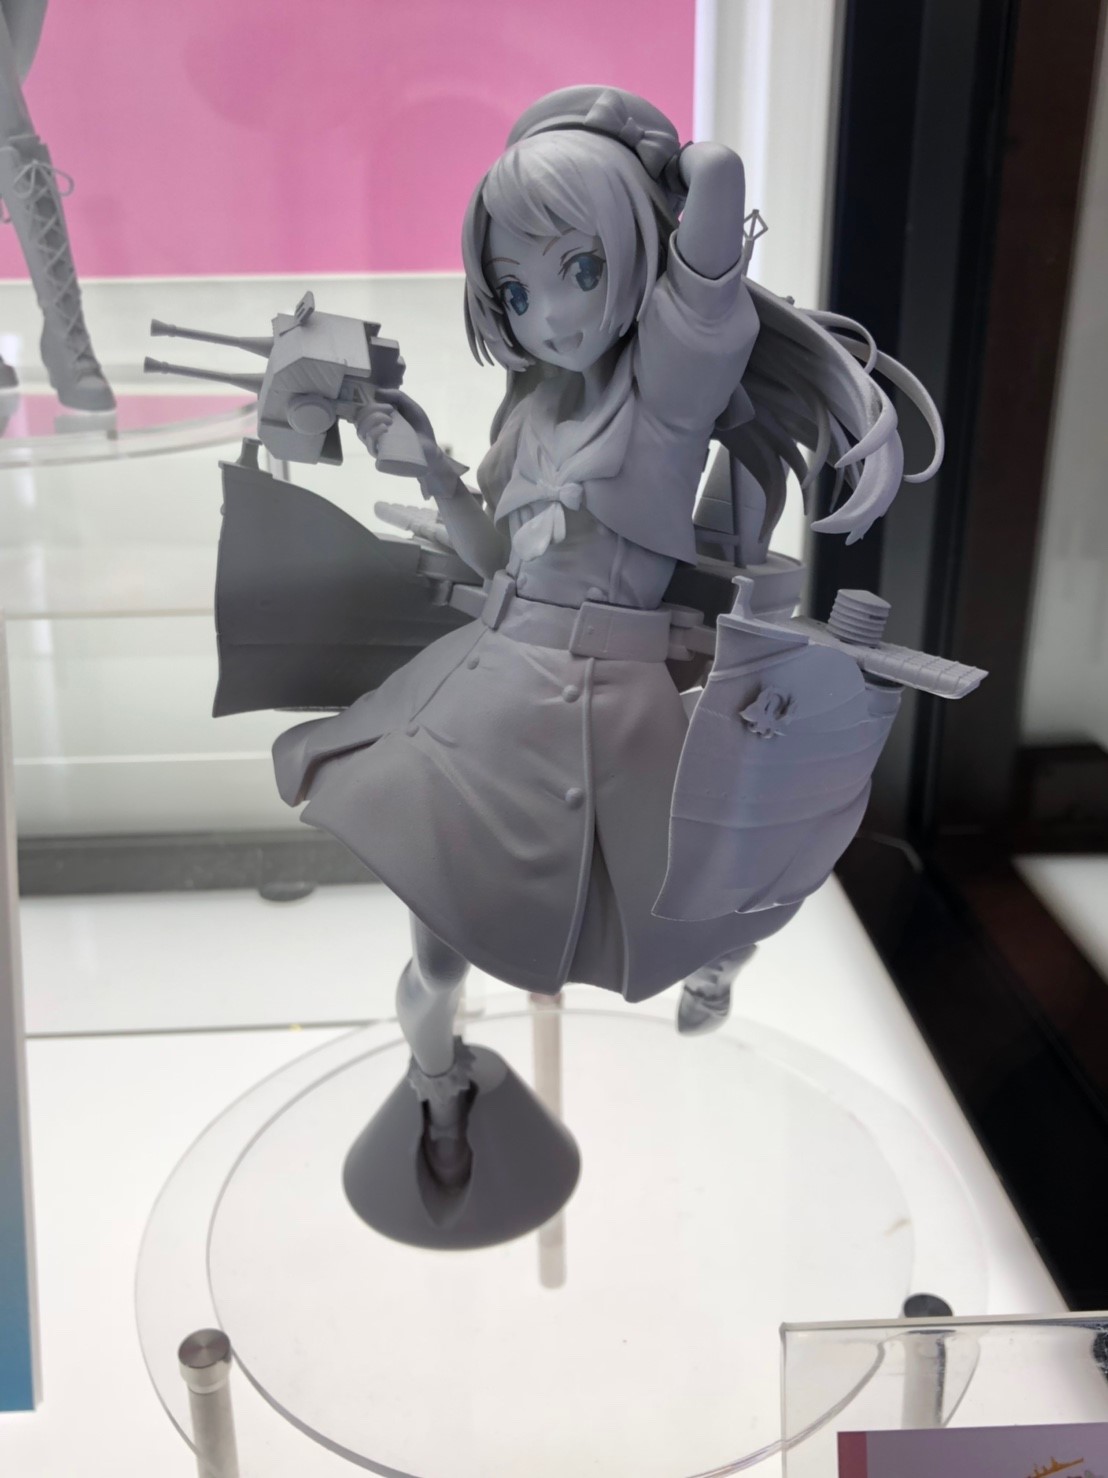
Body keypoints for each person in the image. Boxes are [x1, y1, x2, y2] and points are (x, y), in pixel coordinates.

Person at [271, 86, 941, 1190]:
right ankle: (437, 1082)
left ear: (635, 254)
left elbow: (714, 219)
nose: (549, 312)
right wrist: (435, 472)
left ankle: (723, 959)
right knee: (436, 945)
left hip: (613, 693)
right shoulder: (532, 411)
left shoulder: (666, 399)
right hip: (491, 685)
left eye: (580, 269)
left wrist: (662, 169)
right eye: (515, 289)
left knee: (700, 882)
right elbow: (497, 556)